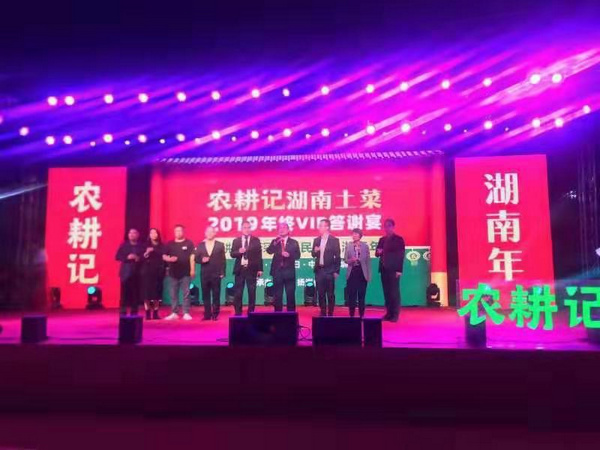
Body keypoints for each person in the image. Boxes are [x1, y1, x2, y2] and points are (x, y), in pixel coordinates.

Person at [230, 220, 263, 315]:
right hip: (240, 269)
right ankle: (238, 312)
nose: (247, 229)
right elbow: (232, 254)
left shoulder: (256, 240)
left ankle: (251, 312)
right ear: (241, 229)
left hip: (251, 269)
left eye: (248, 227)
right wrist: (239, 252)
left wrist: (260, 269)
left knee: (252, 292)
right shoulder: (236, 241)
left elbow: (259, 255)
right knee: (238, 292)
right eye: (245, 228)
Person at [375, 219, 406, 322]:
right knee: (387, 292)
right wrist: (379, 252)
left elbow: (401, 255)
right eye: (385, 226)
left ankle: (395, 314)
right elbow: (377, 254)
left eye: (389, 226)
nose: (387, 228)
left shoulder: (398, 239)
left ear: (393, 227)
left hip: (394, 270)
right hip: (383, 269)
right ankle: (388, 313)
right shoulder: (382, 240)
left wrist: (399, 270)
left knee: (394, 292)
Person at [193, 226, 226, 321]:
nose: (210, 233)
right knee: (205, 294)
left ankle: (215, 314)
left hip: (216, 273)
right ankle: (207, 314)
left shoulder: (220, 245)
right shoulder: (200, 245)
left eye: (212, 232)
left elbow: (223, 260)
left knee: (216, 294)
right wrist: (201, 260)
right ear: (205, 233)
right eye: (208, 232)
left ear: (215, 233)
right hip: (205, 274)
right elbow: (196, 258)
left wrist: (222, 272)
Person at [163, 224, 195, 321]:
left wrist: (192, 270)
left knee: (186, 293)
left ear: (183, 232)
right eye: (176, 231)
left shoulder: (189, 243)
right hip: (173, 273)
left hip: (185, 272)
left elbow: (192, 257)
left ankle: (186, 312)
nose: (178, 233)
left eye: (180, 231)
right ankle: (174, 312)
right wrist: (169, 259)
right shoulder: (170, 244)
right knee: (173, 294)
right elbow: (164, 256)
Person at [267, 222, 301, 312]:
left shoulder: (294, 242)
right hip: (277, 272)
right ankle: (278, 315)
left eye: (284, 228)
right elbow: (269, 251)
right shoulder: (275, 241)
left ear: (288, 230)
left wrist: (289, 255)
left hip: (289, 272)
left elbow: (298, 255)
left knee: (290, 295)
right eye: (280, 228)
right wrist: (275, 243)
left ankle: (291, 315)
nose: (281, 230)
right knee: (277, 295)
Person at [311, 219, 341, 316]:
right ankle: (323, 312)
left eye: (321, 225)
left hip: (330, 270)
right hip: (319, 270)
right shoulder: (316, 240)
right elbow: (313, 254)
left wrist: (336, 271)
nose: (319, 228)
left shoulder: (334, 240)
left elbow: (338, 257)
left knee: (330, 293)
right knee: (321, 293)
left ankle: (330, 312)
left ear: (327, 227)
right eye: (319, 225)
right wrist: (315, 251)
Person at [115, 228, 145, 315]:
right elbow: (117, 256)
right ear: (128, 235)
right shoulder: (124, 245)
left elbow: (144, 257)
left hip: (137, 272)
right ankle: (123, 310)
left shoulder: (141, 246)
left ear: (138, 235)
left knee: (135, 293)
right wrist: (127, 257)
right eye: (130, 233)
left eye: (134, 233)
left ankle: (134, 310)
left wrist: (138, 258)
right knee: (124, 293)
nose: (132, 234)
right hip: (126, 273)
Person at [344, 228, 371, 318]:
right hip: (352, 272)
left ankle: (361, 316)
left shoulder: (365, 246)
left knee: (361, 296)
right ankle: (351, 316)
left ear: (360, 235)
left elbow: (368, 261)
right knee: (352, 296)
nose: (354, 235)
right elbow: (345, 259)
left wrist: (368, 275)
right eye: (353, 234)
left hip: (362, 273)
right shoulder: (348, 246)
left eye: (356, 234)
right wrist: (351, 260)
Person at [141, 228, 165, 320]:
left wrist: (154, 250)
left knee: (157, 292)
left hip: (158, 271)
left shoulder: (162, 246)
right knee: (146, 293)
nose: (153, 234)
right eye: (151, 233)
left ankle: (155, 312)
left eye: (155, 233)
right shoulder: (145, 245)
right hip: (147, 271)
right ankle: (147, 312)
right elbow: (141, 257)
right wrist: (147, 253)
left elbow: (163, 255)